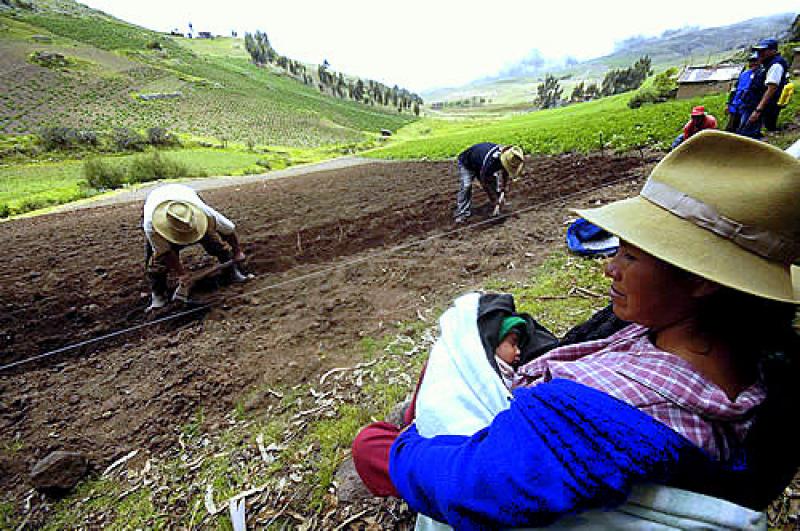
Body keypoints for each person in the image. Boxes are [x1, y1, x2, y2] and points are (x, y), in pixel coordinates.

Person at [353, 131, 800, 528]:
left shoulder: (603, 417)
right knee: (506, 319)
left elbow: (481, 484)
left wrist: (393, 454)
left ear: (701, 279)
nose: (608, 267)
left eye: (629, 255)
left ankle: (409, 422)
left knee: (473, 315)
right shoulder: (734, 352)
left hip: (496, 450)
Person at [143, 183, 248, 311]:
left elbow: (228, 230)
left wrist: (237, 252)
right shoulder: (152, 226)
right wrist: (182, 274)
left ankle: (232, 272)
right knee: (157, 262)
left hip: (184, 196)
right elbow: (165, 252)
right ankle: (158, 294)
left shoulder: (204, 213)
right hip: (157, 203)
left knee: (216, 244)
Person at [454, 142, 524, 224]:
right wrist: (494, 198)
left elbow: (506, 172)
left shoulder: (508, 158)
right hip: (467, 163)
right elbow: (484, 182)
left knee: (494, 183)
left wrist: (504, 187)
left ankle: (498, 205)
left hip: (480, 162)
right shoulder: (492, 161)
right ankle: (462, 213)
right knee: (466, 186)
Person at [738, 38, 789, 137]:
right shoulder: (765, 64)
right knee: (745, 131)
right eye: (758, 50)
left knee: (748, 134)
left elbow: (771, 89)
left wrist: (758, 110)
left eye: (763, 50)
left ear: (773, 51)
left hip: (756, 106)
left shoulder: (776, 66)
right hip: (751, 104)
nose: (759, 53)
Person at [726, 53, 760, 133]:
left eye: (755, 61)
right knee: (731, 127)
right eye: (751, 61)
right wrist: (728, 103)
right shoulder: (744, 74)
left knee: (743, 128)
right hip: (736, 105)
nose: (753, 63)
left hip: (748, 106)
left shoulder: (761, 74)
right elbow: (734, 90)